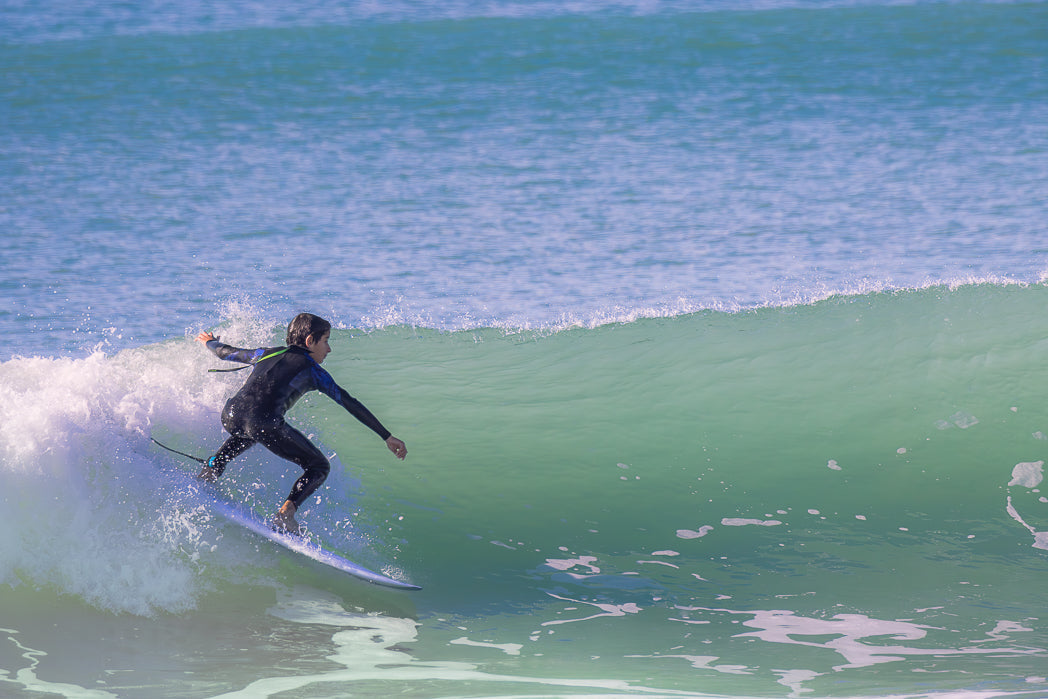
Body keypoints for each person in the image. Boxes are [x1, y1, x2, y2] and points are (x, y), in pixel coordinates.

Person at [196, 312, 407, 533]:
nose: (329, 349)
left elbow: (225, 353)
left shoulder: (265, 353)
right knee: (319, 466)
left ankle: (211, 469)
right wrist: (386, 436)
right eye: (325, 341)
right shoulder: (314, 371)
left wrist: (209, 341)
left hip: (230, 414)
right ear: (309, 341)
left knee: (249, 431)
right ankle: (285, 514)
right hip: (263, 422)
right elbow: (349, 402)